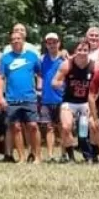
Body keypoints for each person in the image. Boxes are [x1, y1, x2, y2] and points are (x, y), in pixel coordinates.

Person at [0, 31, 42, 163]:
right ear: (10, 42)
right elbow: (0, 78)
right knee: (15, 128)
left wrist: (39, 87)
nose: (16, 41)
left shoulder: (32, 56)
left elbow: (39, 73)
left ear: (23, 40)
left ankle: (37, 156)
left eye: (18, 39)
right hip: (12, 99)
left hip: (29, 97)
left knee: (33, 126)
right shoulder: (5, 58)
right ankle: (22, 158)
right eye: (13, 39)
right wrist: (1, 97)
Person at [52, 39, 95, 163]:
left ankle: (90, 156)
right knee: (66, 127)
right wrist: (64, 84)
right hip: (69, 101)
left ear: (89, 51)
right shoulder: (67, 64)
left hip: (85, 102)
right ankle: (70, 156)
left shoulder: (93, 65)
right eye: (79, 50)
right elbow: (54, 82)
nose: (82, 52)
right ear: (75, 51)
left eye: (85, 50)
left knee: (87, 129)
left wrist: (93, 102)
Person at [40, 32, 64, 162]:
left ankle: (64, 154)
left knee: (62, 127)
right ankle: (50, 155)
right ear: (46, 45)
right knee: (49, 128)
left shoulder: (65, 58)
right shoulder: (42, 59)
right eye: (49, 42)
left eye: (54, 42)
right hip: (46, 98)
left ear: (59, 43)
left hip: (62, 98)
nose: (52, 44)